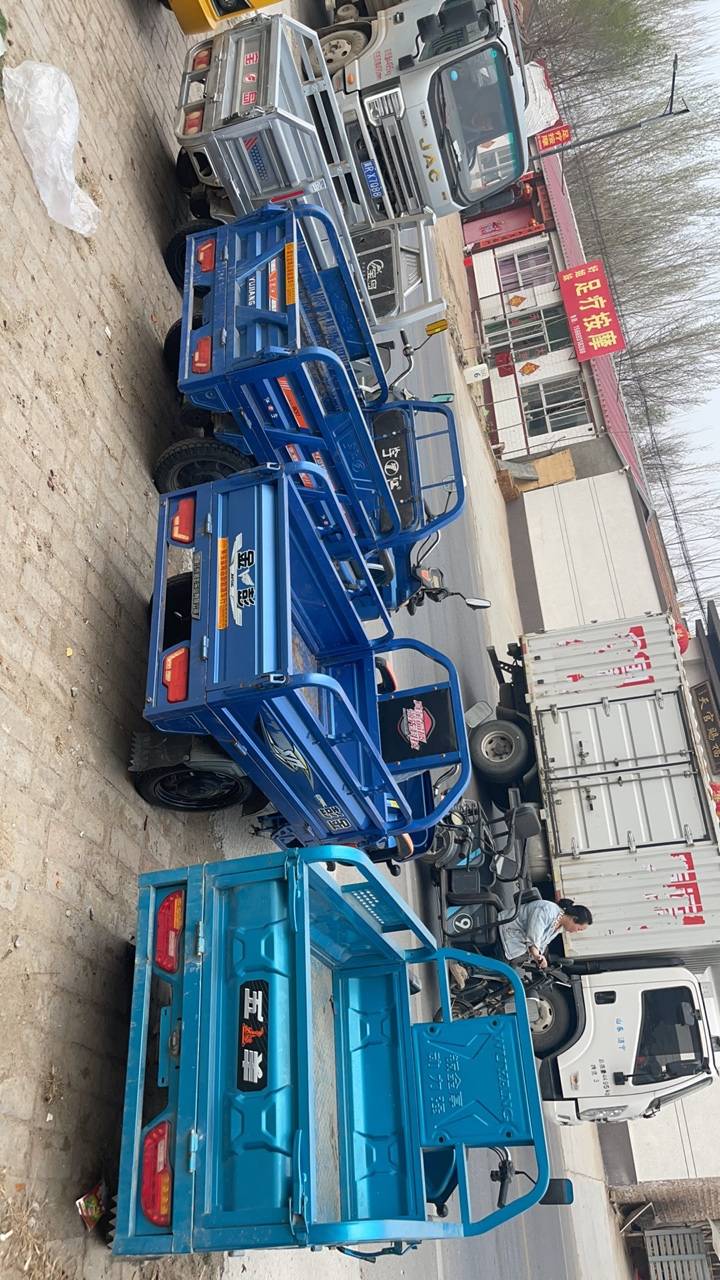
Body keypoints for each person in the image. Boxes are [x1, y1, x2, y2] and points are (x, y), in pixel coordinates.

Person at [499, 897, 593, 968]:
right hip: (504, 933)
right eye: (579, 929)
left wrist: (541, 958)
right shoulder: (548, 910)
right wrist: (536, 955)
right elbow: (533, 934)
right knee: (501, 973)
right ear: (574, 919)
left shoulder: (558, 927)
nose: (576, 932)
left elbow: (541, 945)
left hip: (513, 947)